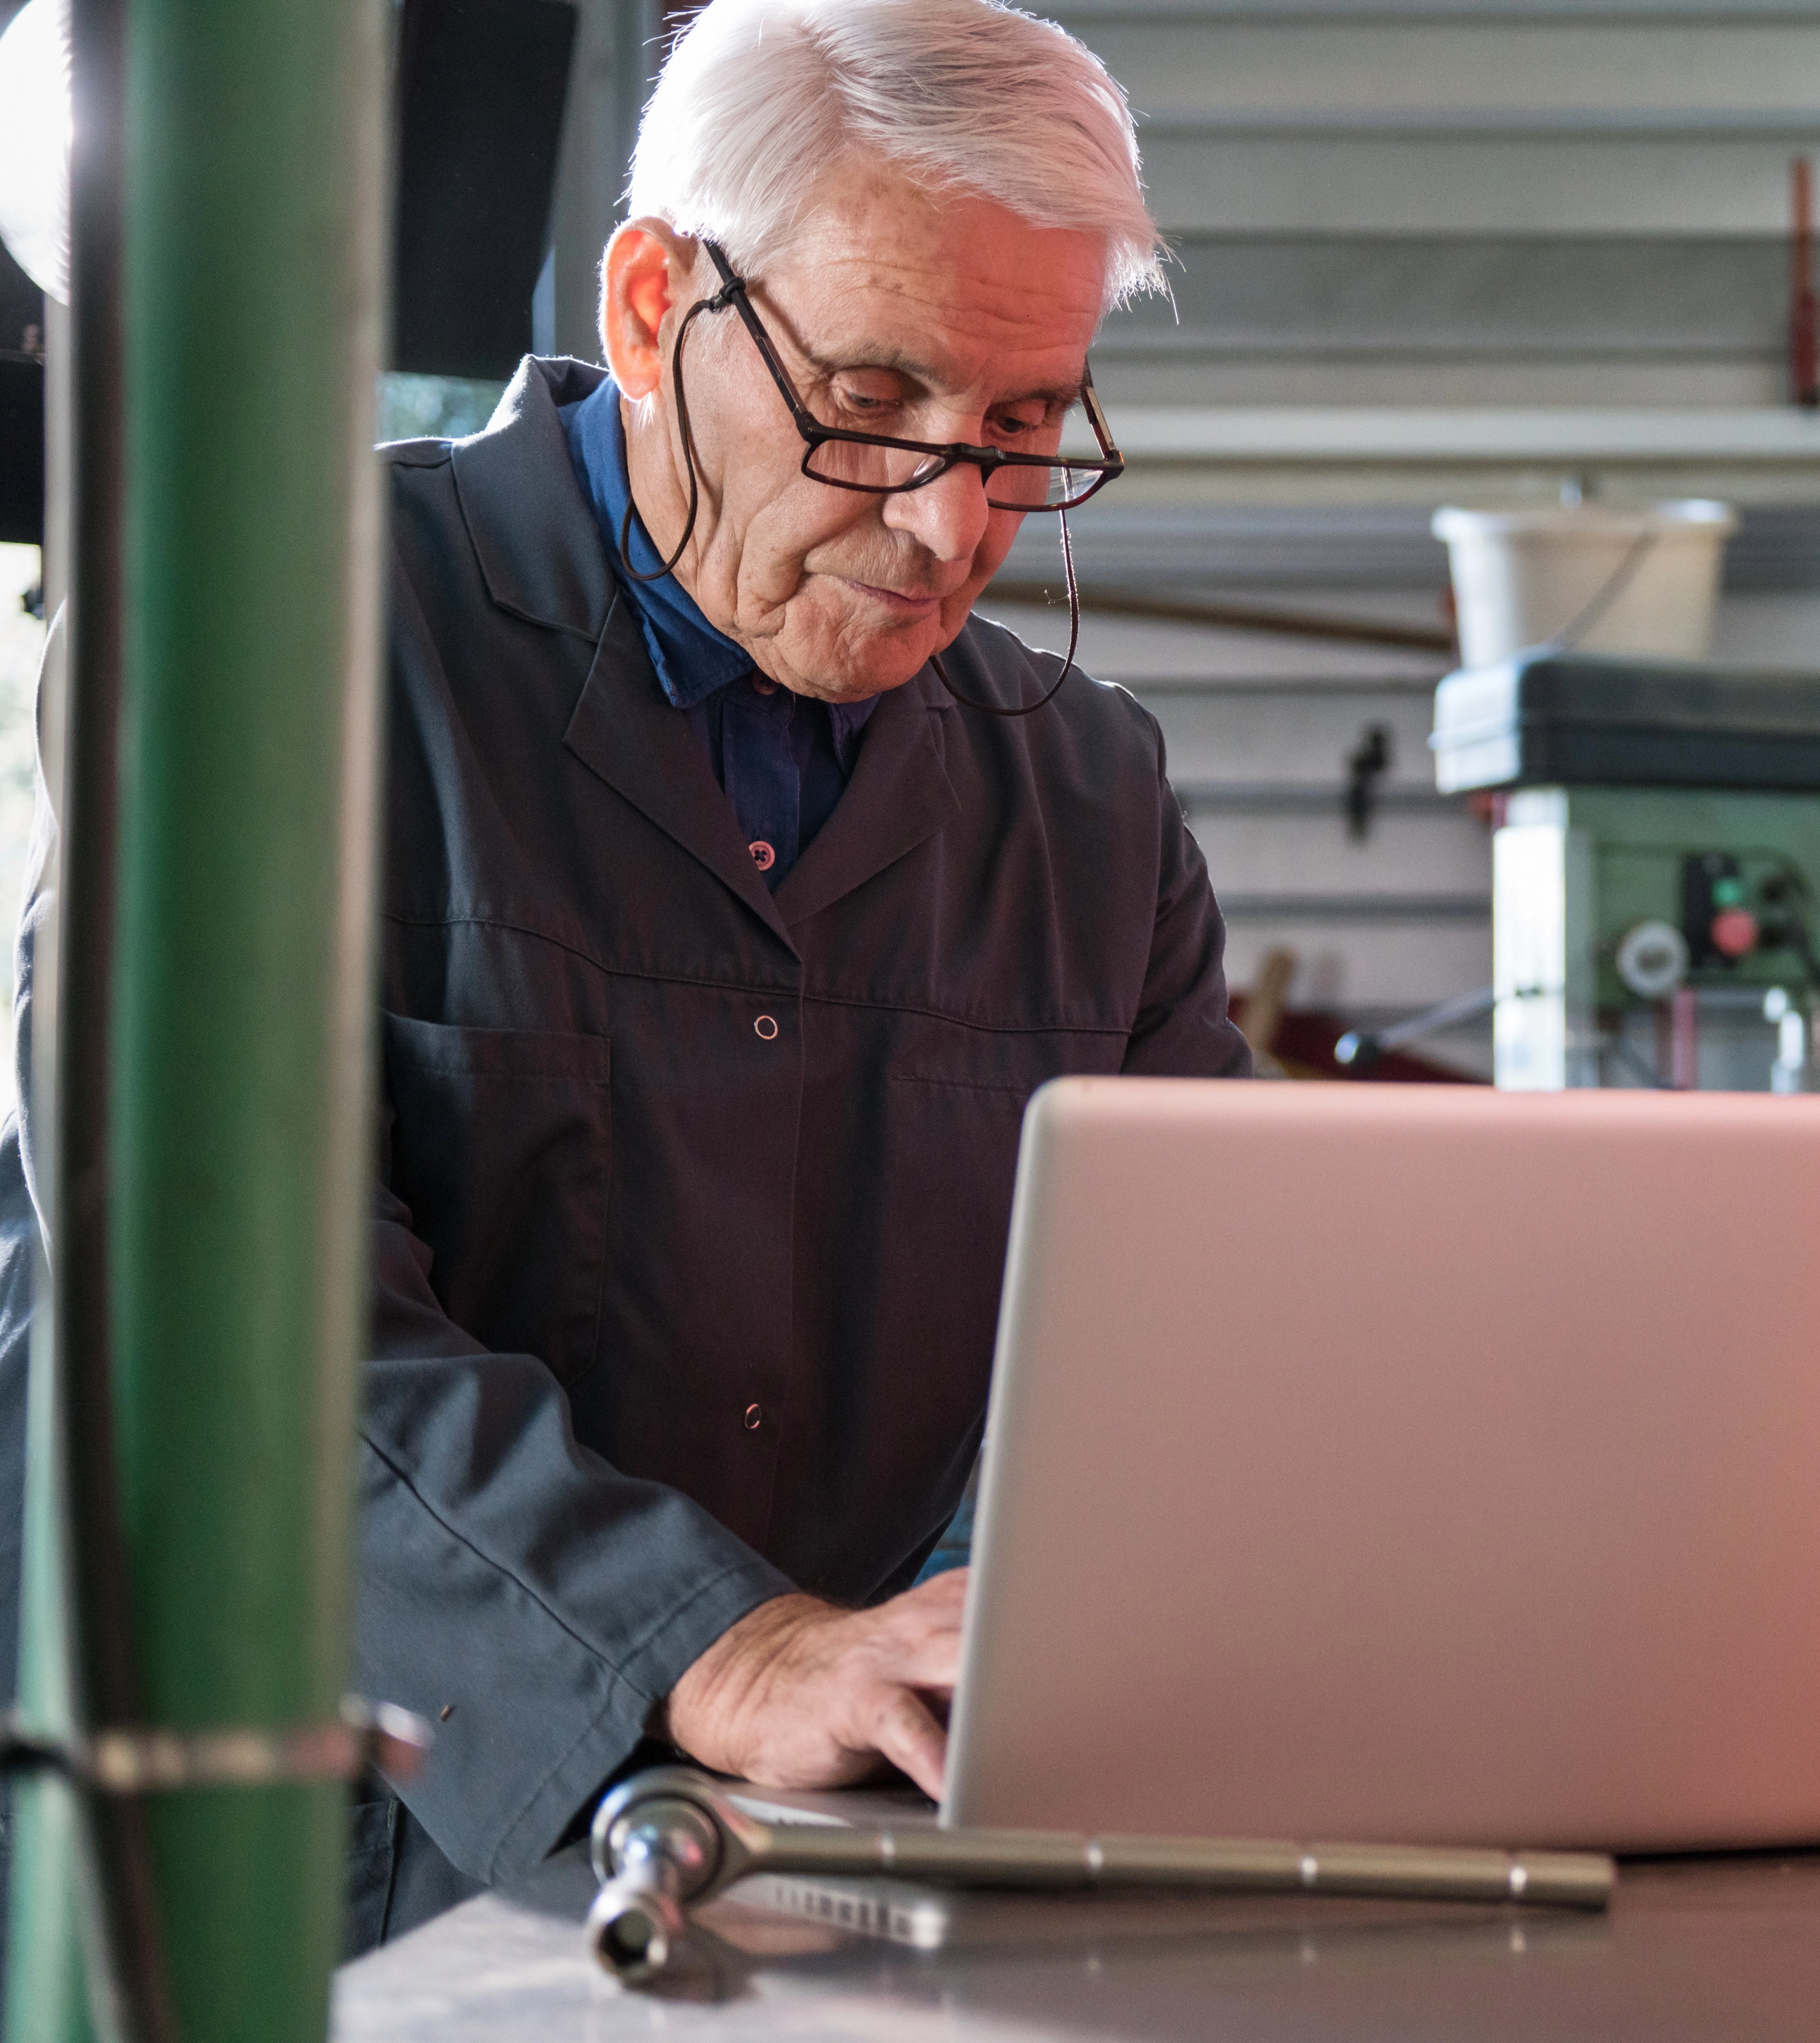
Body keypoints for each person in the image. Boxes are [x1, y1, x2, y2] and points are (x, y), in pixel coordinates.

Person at [4, 0, 1244, 1950]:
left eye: (1020, 430)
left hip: (833, 1884)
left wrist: (1011, 1652)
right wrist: (719, 1644)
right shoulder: (284, 647)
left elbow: (1182, 1367)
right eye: (872, 398)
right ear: (658, 304)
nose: (945, 526)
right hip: (296, 1873)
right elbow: (217, 1299)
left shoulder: (1090, 803)